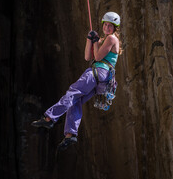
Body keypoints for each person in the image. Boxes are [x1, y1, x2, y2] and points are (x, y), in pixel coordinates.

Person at [32, 12, 122, 151]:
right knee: (76, 100)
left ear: (115, 28)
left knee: (72, 93)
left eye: (110, 26)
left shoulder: (111, 39)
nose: (107, 28)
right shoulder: (104, 40)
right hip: (102, 80)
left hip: (98, 73)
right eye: (105, 25)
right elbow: (87, 57)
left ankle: (49, 118)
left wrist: (97, 42)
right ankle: (70, 134)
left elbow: (97, 58)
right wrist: (90, 40)